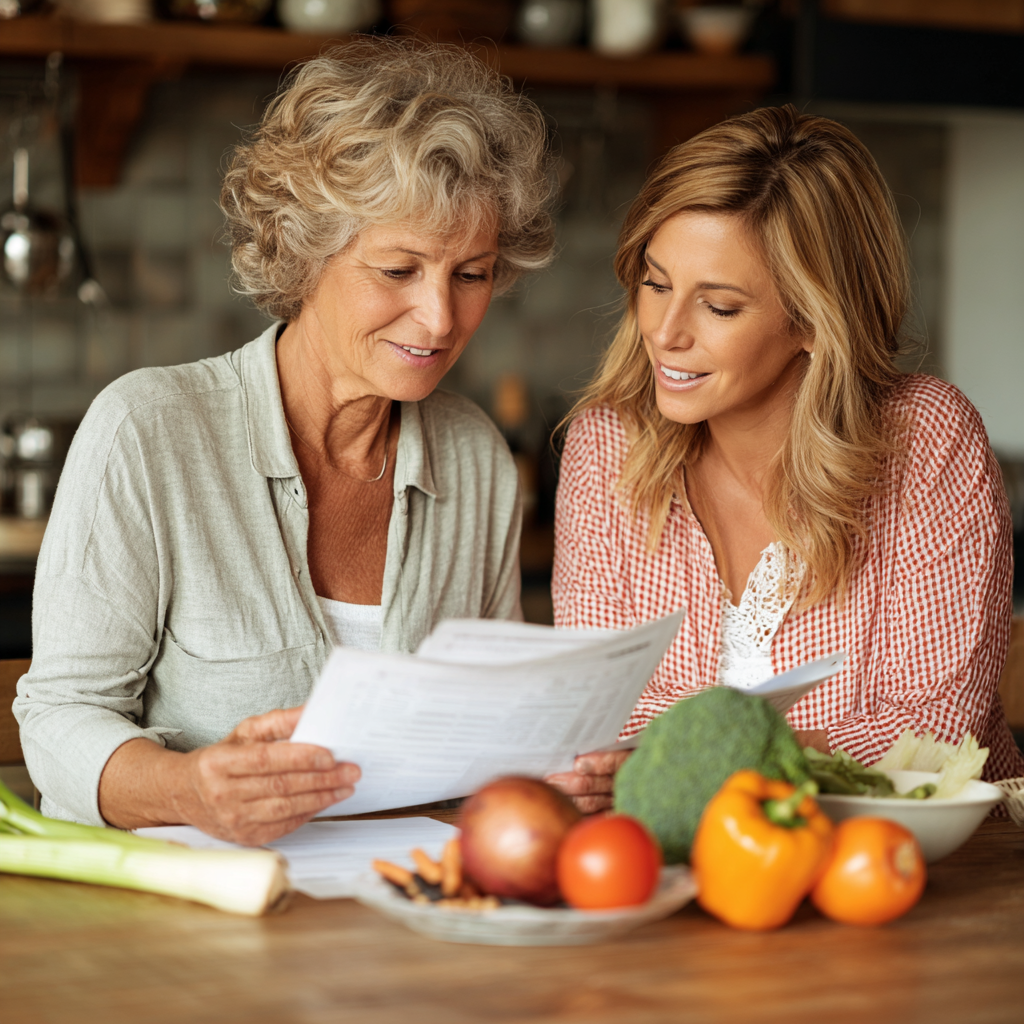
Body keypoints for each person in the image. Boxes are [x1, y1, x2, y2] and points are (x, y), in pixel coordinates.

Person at [14, 39, 555, 843]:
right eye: (400, 270)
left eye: (470, 274)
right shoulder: (150, 431)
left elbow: (493, 731)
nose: (441, 319)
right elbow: (58, 722)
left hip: (416, 913)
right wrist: (188, 787)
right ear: (306, 254)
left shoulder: (475, 459)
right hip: (205, 931)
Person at [548, 105, 1024, 813]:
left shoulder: (927, 440)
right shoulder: (604, 446)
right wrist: (802, 744)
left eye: (720, 306)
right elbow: (591, 714)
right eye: (655, 283)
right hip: (680, 860)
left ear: (813, 319)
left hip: (930, 867)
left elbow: (932, 733)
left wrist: (689, 754)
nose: (665, 332)